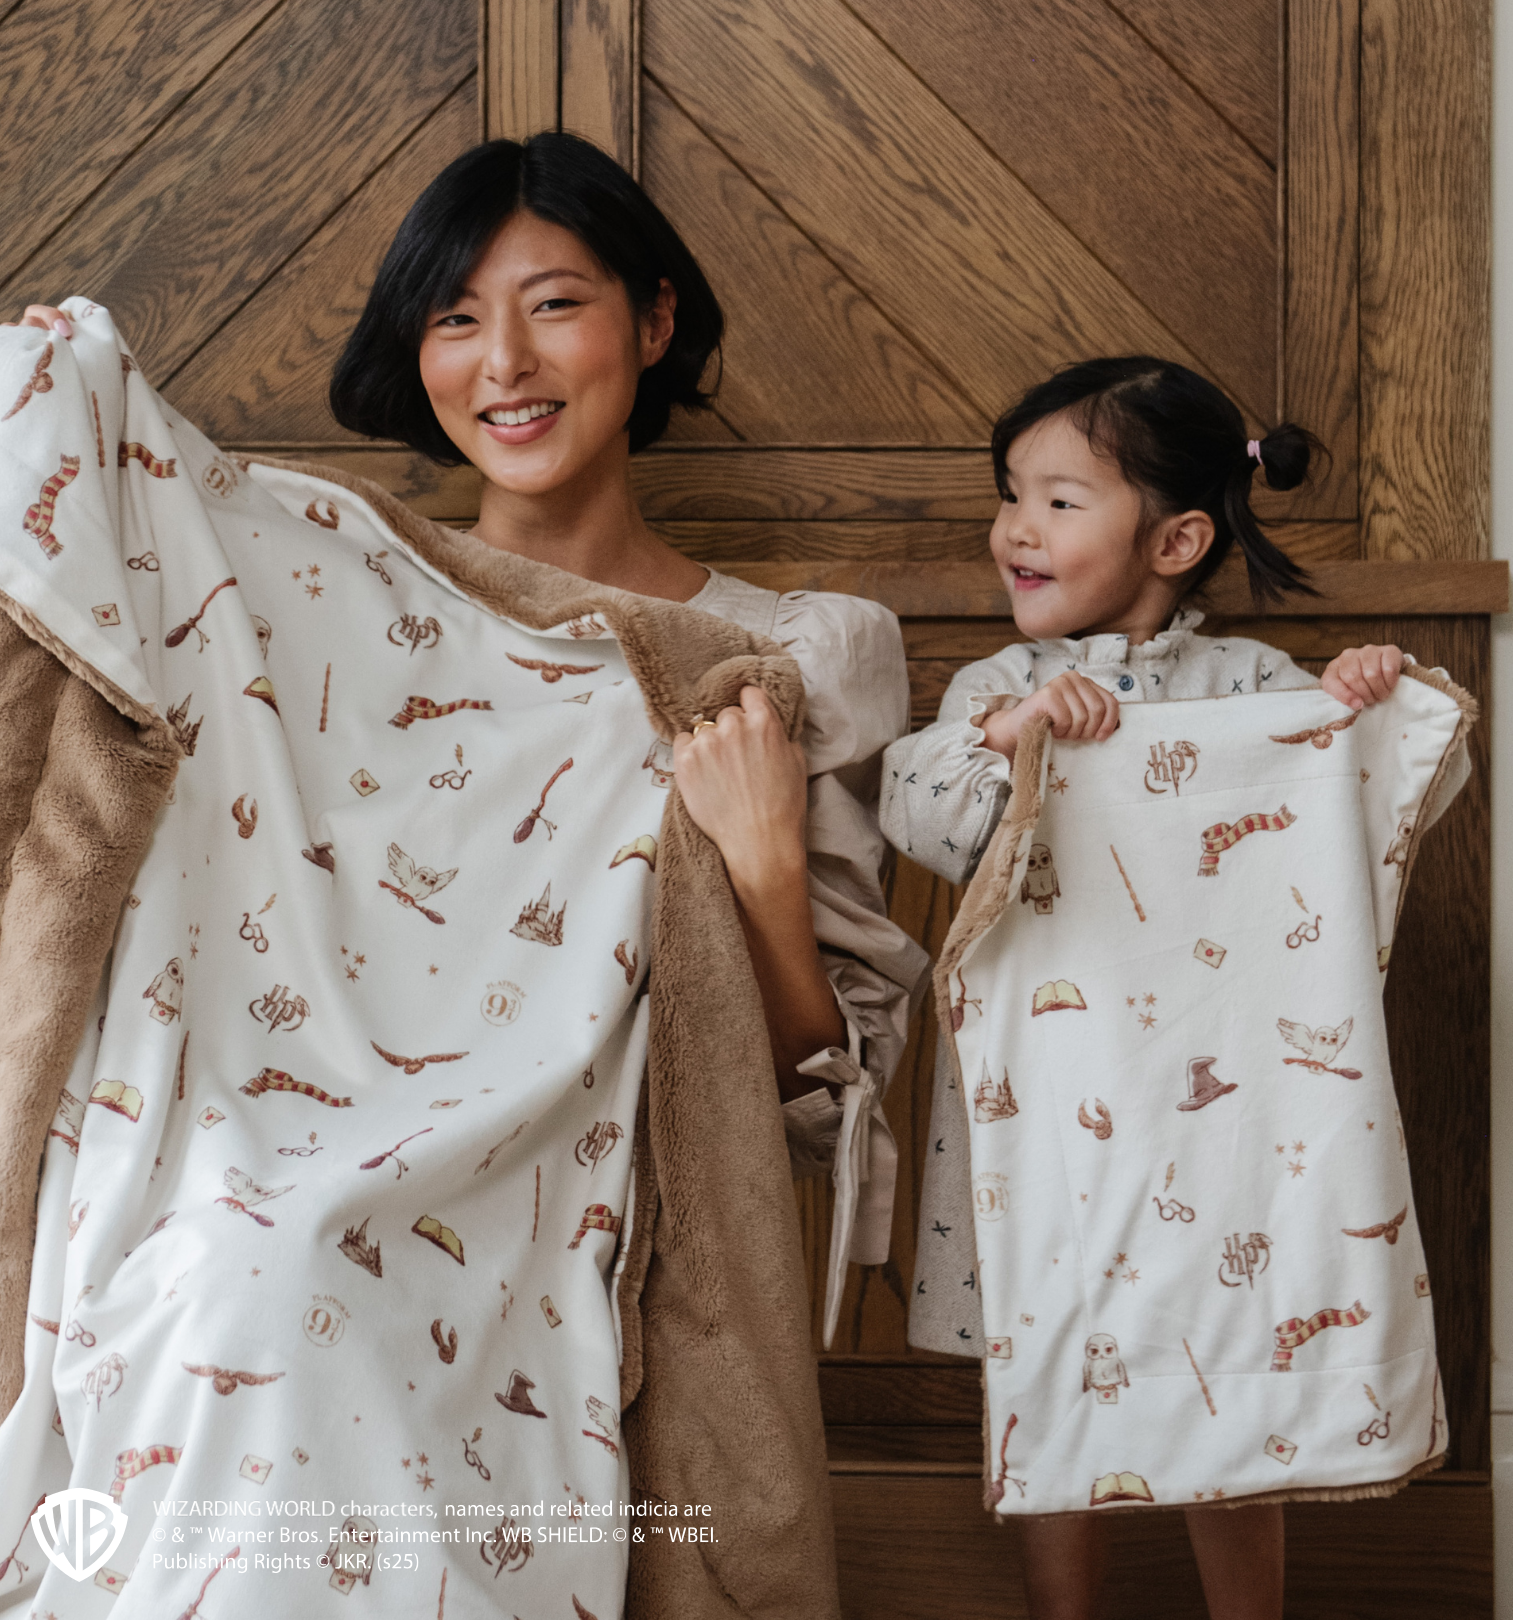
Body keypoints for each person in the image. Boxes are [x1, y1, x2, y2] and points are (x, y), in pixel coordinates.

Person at [0, 131, 919, 1619]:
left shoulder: (789, 653)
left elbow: (823, 1101)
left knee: (311, 1276)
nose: (505, 363)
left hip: (569, 1195)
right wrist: (61, 403)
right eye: (454, 317)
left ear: (655, 322)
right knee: (246, 1262)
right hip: (273, 1145)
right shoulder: (317, 596)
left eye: (555, 304)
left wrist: (759, 864)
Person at [881, 357, 1470, 1620]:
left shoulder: (1256, 690)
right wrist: (1008, 740)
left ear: (1177, 540)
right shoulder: (998, 691)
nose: (1015, 527)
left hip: (1222, 1118)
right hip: (1047, 1110)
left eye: (1057, 501)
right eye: (1009, 494)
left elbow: (1378, 815)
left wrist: (1361, 708)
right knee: (1048, 1368)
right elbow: (922, 820)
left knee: (1235, 1364)